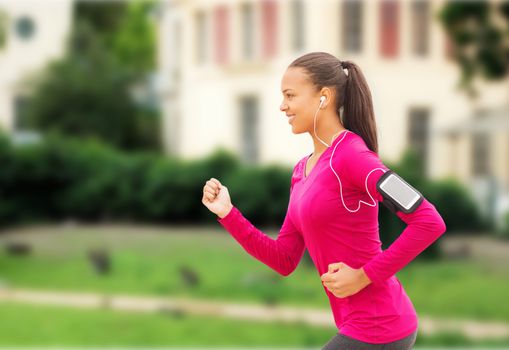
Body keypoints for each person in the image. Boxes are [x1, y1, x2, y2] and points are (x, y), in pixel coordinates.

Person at [202, 52, 446, 349]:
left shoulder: (354, 158)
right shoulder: (301, 172)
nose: (283, 106)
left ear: (324, 97)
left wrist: (364, 276)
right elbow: (284, 259)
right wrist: (228, 213)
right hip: (356, 325)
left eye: (290, 95)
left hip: (380, 325)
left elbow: (429, 221)